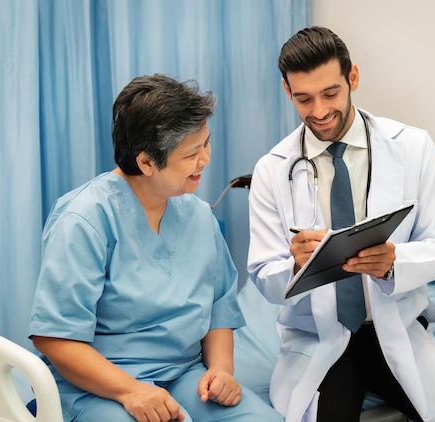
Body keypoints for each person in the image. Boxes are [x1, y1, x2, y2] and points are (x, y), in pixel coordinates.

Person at [247, 27, 435, 422]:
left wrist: (393, 263)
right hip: (321, 338)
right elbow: (263, 273)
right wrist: (295, 266)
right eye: (303, 99)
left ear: (352, 78)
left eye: (330, 94)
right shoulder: (272, 170)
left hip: (397, 327)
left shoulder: (412, 147)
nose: (320, 112)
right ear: (287, 91)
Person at [29, 74, 284, 422]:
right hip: (99, 384)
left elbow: (218, 311)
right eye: (192, 153)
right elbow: (54, 338)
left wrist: (221, 371)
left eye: (206, 144)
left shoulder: (198, 216)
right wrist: (130, 391)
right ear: (146, 162)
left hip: (184, 377)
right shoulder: (84, 220)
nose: (205, 160)